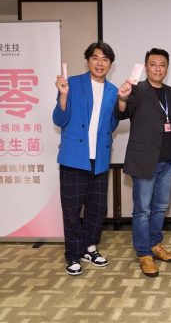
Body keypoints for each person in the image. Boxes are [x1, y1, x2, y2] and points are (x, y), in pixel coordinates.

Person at [53, 40, 120, 276]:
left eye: (105, 59)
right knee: (72, 209)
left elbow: (112, 124)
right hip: (74, 157)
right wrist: (63, 96)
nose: (100, 63)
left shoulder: (113, 91)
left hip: (99, 158)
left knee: (97, 208)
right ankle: (73, 253)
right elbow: (59, 120)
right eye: (95, 58)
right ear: (88, 60)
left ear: (110, 64)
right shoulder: (71, 84)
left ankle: (89, 248)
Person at [116, 48, 171, 278]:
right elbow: (121, 113)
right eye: (153, 64)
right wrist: (122, 98)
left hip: (167, 159)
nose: (158, 69)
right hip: (144, 159)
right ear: (146, 67)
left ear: (167, 68)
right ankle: (144, 253)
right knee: (142, 210)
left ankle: (155, 244)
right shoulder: (136, 90)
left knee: (160, 207)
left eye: (162, 65)